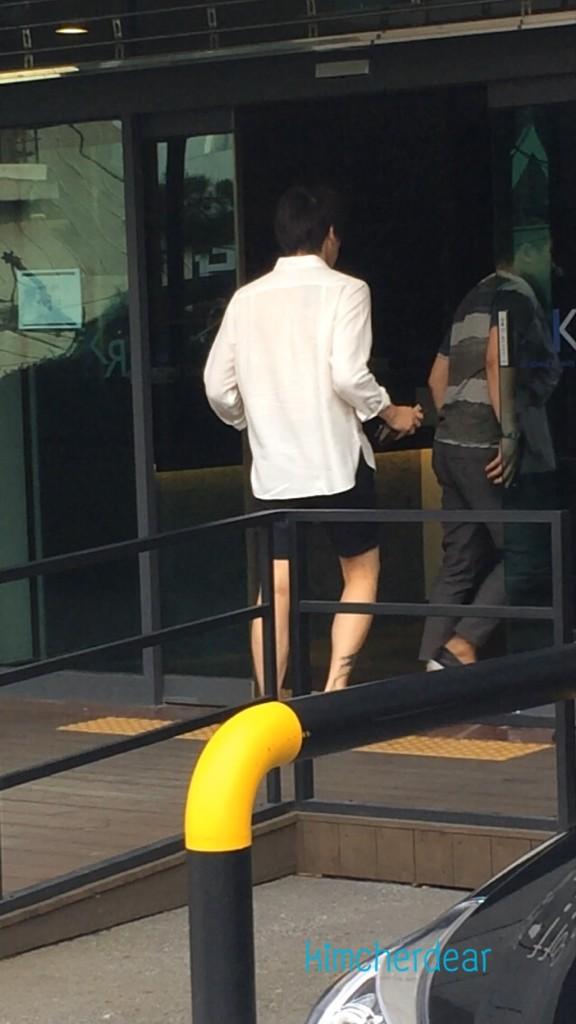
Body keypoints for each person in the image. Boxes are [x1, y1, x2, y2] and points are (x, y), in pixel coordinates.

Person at [204, 185, 423, 695]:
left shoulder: (245, 300)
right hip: (335, 462)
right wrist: (390, 411)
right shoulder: (347, 290)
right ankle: (334, 690)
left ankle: (268, 700)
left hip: (275, 470)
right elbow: (348, 374)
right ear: (329, 235)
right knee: (361, 572)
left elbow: (216, 384)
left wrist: (250, 420)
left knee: (275, 589)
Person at [420, 223, 561, 670]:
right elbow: (497, 357)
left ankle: (427, 672)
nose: (553, 265)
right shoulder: (515, 294)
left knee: (459, 561)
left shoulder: (472, 298)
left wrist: (455, 427)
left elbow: (436, 378)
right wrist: (508, 434)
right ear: (527, 251)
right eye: (548, 253)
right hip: (484, 447)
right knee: (525, 555)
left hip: (449, 445)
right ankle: (461, 646)